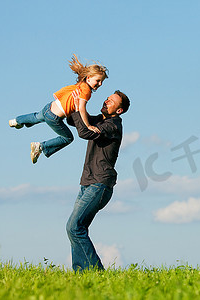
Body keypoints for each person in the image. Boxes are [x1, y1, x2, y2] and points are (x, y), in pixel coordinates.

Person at [66, 90, 130, 272]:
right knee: (77, 229)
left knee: (74, 227)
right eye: (107, 98)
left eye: (111, 101)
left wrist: (81, 107)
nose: (106, 101)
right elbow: (73, 120)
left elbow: (84, 132)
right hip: (87, 183)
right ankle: (81, 272)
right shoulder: (99, 120)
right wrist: (75, 99)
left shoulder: (113, 126)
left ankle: (95, 272)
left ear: (119, 111)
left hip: (100, 184)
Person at [8, 54, 108, 164]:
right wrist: (88, 125)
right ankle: (40, 146)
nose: (100, 84)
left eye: (102, 81)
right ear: (88, 78)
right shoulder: (86, 91)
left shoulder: (80, 85)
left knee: (36, 117)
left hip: (48, 108)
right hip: (54, 118)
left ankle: (16, 121)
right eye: (98, 80)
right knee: (68, 138)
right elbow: (81, 108)